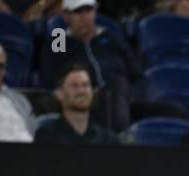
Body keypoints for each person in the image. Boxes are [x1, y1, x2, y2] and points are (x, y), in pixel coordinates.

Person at [39, 0, 143, 132]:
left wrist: (133, 96)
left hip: (125, 100)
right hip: (84, 101)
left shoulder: (110, 37)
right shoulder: (59, 39)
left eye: (88, 10)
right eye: (77, 12)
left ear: (95, 12)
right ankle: (119, 141)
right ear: (66, 16)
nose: (84, 17)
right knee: (116, 87)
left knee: (170, 111)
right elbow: (49, 80)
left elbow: (137, 76)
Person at [34, 62, 115, 144]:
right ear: (59, 93)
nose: (81, 91)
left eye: (85, 85)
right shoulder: (47, 137)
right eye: (74, 85)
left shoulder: (107, 139)